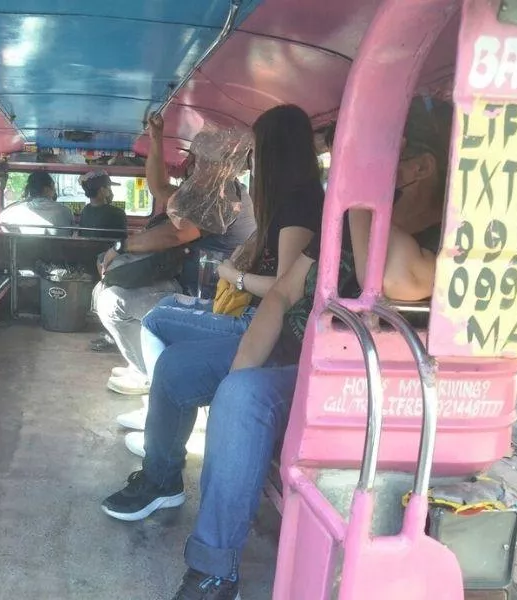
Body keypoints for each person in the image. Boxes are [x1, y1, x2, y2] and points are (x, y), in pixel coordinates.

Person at [101, 96, 452, 600]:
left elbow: (395, 275)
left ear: (417, 166)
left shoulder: (446, 242)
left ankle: (215, 571)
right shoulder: (347, 223)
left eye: (371, 157)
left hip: (349, 380)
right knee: (179, 369)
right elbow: (286, 291)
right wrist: (242, 369)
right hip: (293, 352)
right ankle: (162, 479)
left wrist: (359, 195)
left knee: (244, 398)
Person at [117, 105, 324, 446]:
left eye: (255, 152)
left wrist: (233, 275)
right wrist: (155, 139)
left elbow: (287, 289)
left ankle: (168, 415)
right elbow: (159, 189)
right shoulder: (283, 202)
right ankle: (164, 410)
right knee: (165, 308)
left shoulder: (293, 207)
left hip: (259, 324)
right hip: (248, 311)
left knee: (156, 322)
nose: (251, 162)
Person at [95, 116, 257, 396]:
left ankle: (155, 379)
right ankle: (147, 367)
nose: (191, 165)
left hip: (210, 299)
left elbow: (176, 235)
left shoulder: (224, 197)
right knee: (105, 288)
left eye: (198, 159)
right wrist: (156, 137)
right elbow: (159, 188)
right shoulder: (206, 192)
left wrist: (121, 247)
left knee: (112, 301)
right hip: (191, 285)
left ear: (219, 163)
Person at [0, 171, 74, 235]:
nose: (55, 190)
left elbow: (2, 217)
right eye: (53, 186)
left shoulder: (17, 212)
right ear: (47, 189)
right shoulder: (65, 211)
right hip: (56, 252)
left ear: (29, 190)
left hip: (26, 252)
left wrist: (26, 199)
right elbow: (70, 233)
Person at [77, 170, 128, 238]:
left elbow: (80, 234)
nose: (110, 190)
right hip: (109, 248)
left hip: (87, 248)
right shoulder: (118, 212)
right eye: (108, 187)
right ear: (102, 189)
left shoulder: (85, 210)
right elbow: (123, 240)